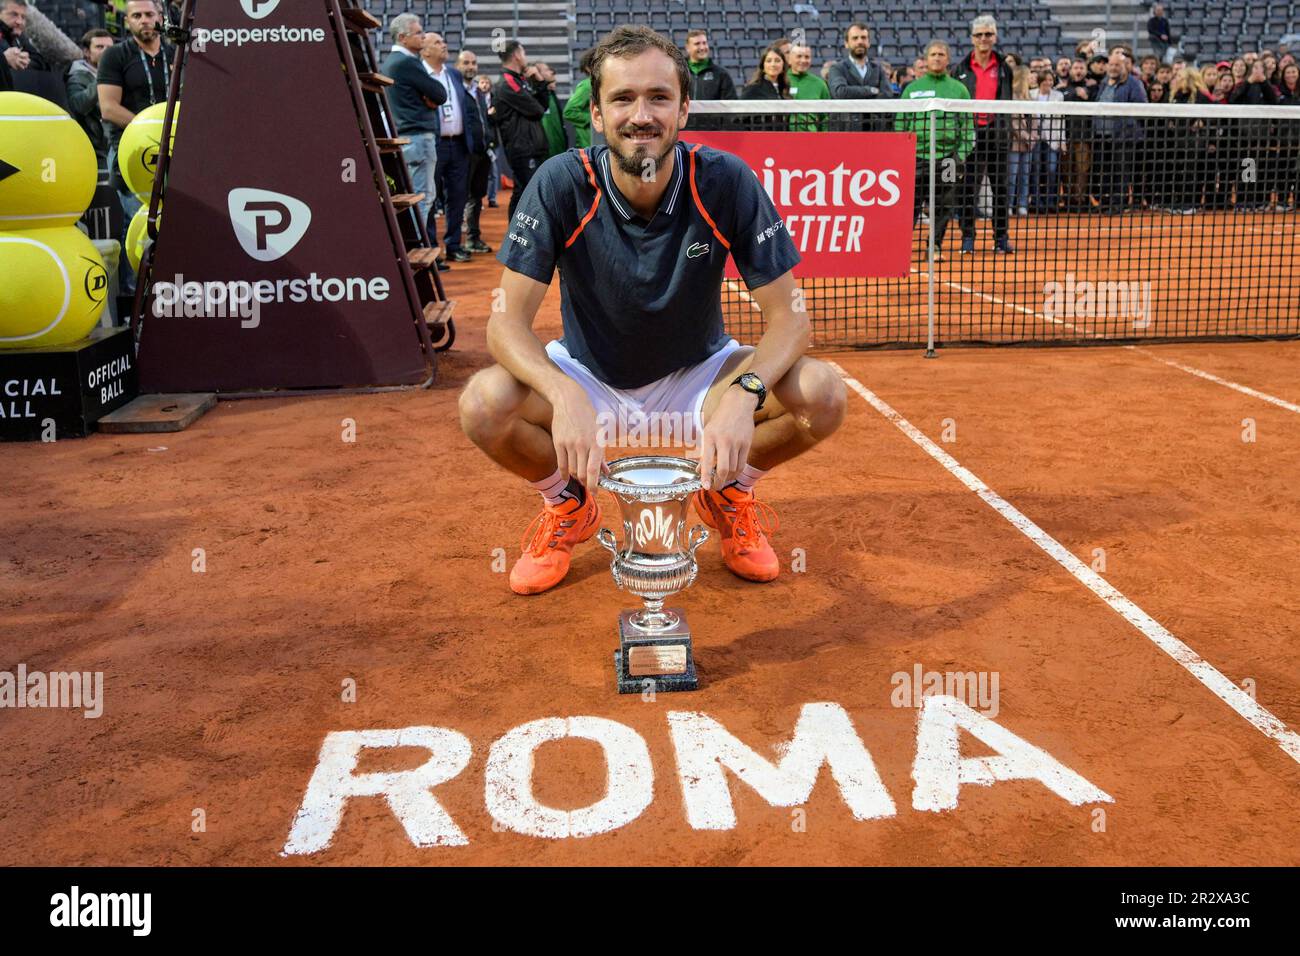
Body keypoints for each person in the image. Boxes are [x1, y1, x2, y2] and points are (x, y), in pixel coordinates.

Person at [459, 26, 845, 595]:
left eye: (659, 97)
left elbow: (790, 317)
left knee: (824, 394)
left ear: (684, 109)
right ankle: (567, 504)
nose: (642, 114)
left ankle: (729, 490)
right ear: (594, 112)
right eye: (623, 98)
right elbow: (505, 322)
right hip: (590, 377)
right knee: (482, 405)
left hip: (701, 379)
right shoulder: (560, 182)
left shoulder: (725, 180)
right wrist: (562, 392)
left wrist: (746, 394)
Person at [895, 39, 973, 257]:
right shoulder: (912, 89)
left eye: (941, 54)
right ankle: (901, 248)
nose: (937, 58)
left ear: (948, 59)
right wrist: (904, 153)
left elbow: (967, 126)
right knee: (910, 205)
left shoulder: (959, 90)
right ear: (925, 59)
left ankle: (934, 245)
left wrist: (959, 156)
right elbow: (901, 123)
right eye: (933, 55)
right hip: (917, 157)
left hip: (949, 159)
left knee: (944, 205)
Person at [381, 13, 446, 254]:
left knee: (416, 196)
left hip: (407, 136)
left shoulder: (391, 62)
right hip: (419, 136)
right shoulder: (407, 62)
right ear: (402, 37)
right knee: (423, 197)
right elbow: (440, 94)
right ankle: (412, 247)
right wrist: (428, 98)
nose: (422, 36)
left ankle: (408, 246)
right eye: (418, 33)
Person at [952, 14, 1015, 253]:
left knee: (1001, 189)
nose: (984, 39)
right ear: (972, 39)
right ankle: (968, 238)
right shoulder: (960, 68)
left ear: (995, 36)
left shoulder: (1004, 68)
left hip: (997, 135)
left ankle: (1001, 239)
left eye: (988, 34)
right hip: (970, 136)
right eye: (979, 35)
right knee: (968, 190)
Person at [421, 32, 478, 263]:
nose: (444, 45)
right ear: (424, 50)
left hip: (459, 144)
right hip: (434, 144)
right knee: (430, 198)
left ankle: (454, 245)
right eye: (437, 42)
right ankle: (432, 249)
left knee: (458, 196)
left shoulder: (453, 74)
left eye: (444, 41)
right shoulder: (420, 74)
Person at [493, 40, 550, 225]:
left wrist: (540, 81)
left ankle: (522, 235)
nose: (525, 57)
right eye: (523, 53)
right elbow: (537, 110)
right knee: (525, 191)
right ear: (517, 55)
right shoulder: (507, 82)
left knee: (527, 190)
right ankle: (517, 236)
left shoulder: (519, 79)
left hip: (531, 145)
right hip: (522, 147)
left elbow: (543, 105)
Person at [1090, 48, 1146, 214]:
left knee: (1121, 172)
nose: (1113, 68)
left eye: (1117, 65)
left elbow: (1141, 107)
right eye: (1111, 64)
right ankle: (1105, 203)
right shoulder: (1103, 83)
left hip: (1124, 137)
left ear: (1125, 67)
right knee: (1105, 172)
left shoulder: (1134, 84)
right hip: (1102, 136)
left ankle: (1118, 204)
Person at [827, 22, 896, 130]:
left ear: (868, 42)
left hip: (874, 130)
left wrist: (854, 95)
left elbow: (887, 96)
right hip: (846, 131)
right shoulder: (837, 68)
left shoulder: (878, 69)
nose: (860, 41)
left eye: (863, 38)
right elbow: (840, 92)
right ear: (846, 43)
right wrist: (870, 90)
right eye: (855, 38)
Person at [1229, 60, 1279, 210]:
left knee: (1262, 171)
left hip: (1263, 138)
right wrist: (1249, 83)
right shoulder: (1242, 86)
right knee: (1246, 171)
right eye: (1255, 68)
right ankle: (1243, 201)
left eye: (1260, 68)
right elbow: (1233, 101)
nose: (1257, 71)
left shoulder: (1269, 87)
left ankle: (1261, 201)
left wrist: (1263, 82)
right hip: (1245, 137)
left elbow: (1274, 102)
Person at [457, 49, 493, 255]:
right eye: (466, 63)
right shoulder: (456, 90)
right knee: (460, 197)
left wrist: (489, 141)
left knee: (477, 197)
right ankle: (455, 244)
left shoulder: (479, 92)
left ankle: (472, 238)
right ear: (458, 66)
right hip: (464, 153)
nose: (471, 67)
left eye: (473, 63)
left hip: (482, 152)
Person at [1, 0, 65, 107]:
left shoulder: (19, 37)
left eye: (23, 17)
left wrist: (22, 61)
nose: (19, 21)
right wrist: (4, 59)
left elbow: (40, 61)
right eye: (14, 15)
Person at [67, 28, 112, 165]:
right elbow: (79, 105)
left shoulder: (117, 73)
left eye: (109, 48)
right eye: (99, 47)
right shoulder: (77, 76)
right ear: (86, 52)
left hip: (115, 144)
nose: (106, 51)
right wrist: (103, 76)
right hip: (95, 150)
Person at [683, 28, 736, 130]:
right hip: (684, 132)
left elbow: (730, 105)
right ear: (687, 48)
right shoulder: (678, 72)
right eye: (697, 44)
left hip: (712, 133)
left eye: (704, 43)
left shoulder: (721, 74)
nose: (702, 47)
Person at [1060, 58, 1095, 212]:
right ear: (1071, 70)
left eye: (1081, 68)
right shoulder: (1062, 90)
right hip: (1065, 137)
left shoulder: (1093, 89)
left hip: (1084, 138)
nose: (1079, 71)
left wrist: (1087, 97)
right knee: (1067, 170)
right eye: (1076, 68)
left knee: (1082, 171)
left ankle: (1080, 201)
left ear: (1086, 71)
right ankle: (1068, 201)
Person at [1030, 68, 1064, 212]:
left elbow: (1061, 120)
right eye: (1045, 80)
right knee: (1036, 169)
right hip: (1035, 138)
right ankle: (1037, 202)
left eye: (1050, 80)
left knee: (1051, 169)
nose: (1048, 83)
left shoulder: (1058, 96)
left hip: (1052, 138)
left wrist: (1062, 140)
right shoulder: (1031, 95)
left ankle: (1051, 201)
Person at [1007, 66, 1037, 217]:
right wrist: (1027, 136)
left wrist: (1033, 136)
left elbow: (1035, 119)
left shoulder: (1029, 97)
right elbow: (1012, 123)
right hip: (1014, 143)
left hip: (1029, 144)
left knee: (1025, 176)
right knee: (1011, 177)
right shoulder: (1010, 96)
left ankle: (1022, 205)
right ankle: (1009, 205)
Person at [739, 42, 789, 132]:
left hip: (781, 140)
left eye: (777, 60)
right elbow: (739, 118)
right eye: (769, 61)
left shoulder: (784, 89)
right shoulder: (753, 89)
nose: (773, 64)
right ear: (763, 66)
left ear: (783, 65)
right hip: (759, 140)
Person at [785, 42, 829, 132]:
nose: (803, 60)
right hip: (782, 139)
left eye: (807, 57)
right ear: (789, 59)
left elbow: (826, 117)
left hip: (811, 139)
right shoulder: (781, 80)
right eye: (799, 56)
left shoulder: (820, 84)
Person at [534, 61, 568, 157]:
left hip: (560, 148)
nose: (552, 72)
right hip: (545, 153)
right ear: (538, 75)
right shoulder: (535, 97)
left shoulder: (552, 95)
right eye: (547, 70)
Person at [563, 48, 594, 148]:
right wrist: (594, 118)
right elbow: (569, 112)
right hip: (588, 142)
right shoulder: (587, 86)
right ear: (589, 68)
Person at [477, 73, 500, 208]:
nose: (484, 85)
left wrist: (493, 115)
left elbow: (498, 120)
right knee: (478, 172)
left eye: (486, 82)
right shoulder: (474, 98)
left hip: (493, 141)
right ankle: (478, 200)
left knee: (493, 172)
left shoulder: (495, 100)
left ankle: (492, 198)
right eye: (482, 82)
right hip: (478, 141)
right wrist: (487, 114)